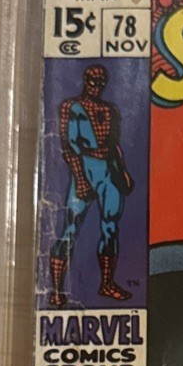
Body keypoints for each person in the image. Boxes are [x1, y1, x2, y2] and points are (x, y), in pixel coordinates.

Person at [50, 63, 134, 305]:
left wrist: (123, 172)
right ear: (85, 80)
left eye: (100, 82)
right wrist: (80, 177)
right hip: (85, 166)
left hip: (109, 170)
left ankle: (107, 283)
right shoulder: (71, 106)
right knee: (70, 228)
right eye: (92, 81)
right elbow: (68, 147)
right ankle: (57, 291)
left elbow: (114, 145)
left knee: (111, 228)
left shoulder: (110, 110)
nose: (96, 86)